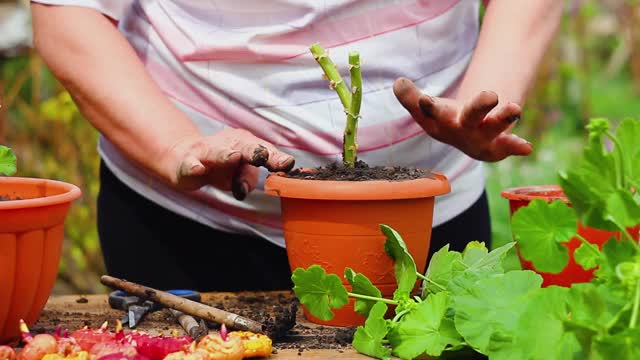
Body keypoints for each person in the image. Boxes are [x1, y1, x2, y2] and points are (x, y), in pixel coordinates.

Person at [30, 0, 562, 291]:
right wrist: (176, 144)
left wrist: (485, 101)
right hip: (184, 223)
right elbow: (66, 11)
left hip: (421, 218)